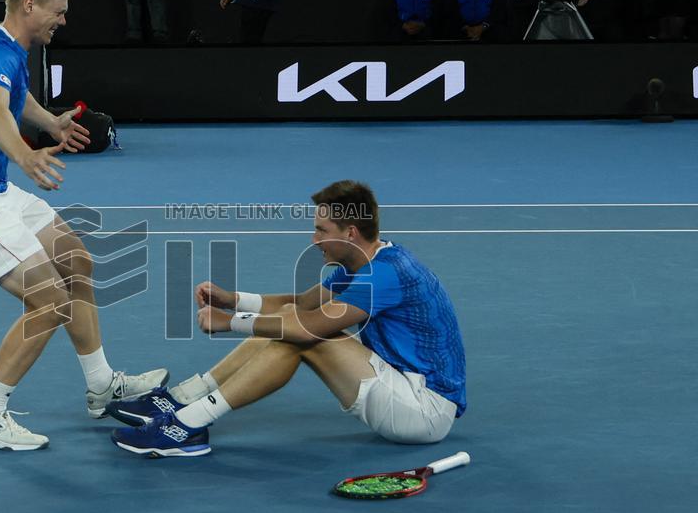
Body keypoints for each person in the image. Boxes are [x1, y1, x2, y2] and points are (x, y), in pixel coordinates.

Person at [0, 0, 167, 451]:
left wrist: (49, 123)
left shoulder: (8, 48)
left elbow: (15, 98)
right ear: (29, 4)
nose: (63, 19)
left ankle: (101, 385)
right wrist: (25, 155)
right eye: (58, 11)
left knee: (76, 260)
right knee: (49, 301)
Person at [108, 180, 466, 457]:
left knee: (302, 338)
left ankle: (185, 425)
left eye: (322, 230)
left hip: (424, 411)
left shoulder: (383, 275)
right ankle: (185, 402)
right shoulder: (365, 260)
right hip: (403, 385)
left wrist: (229, 322)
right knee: (292, 321)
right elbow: (302, 303)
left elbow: (308, 327)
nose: (314, 240)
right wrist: (233, 300)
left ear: (350, 233)